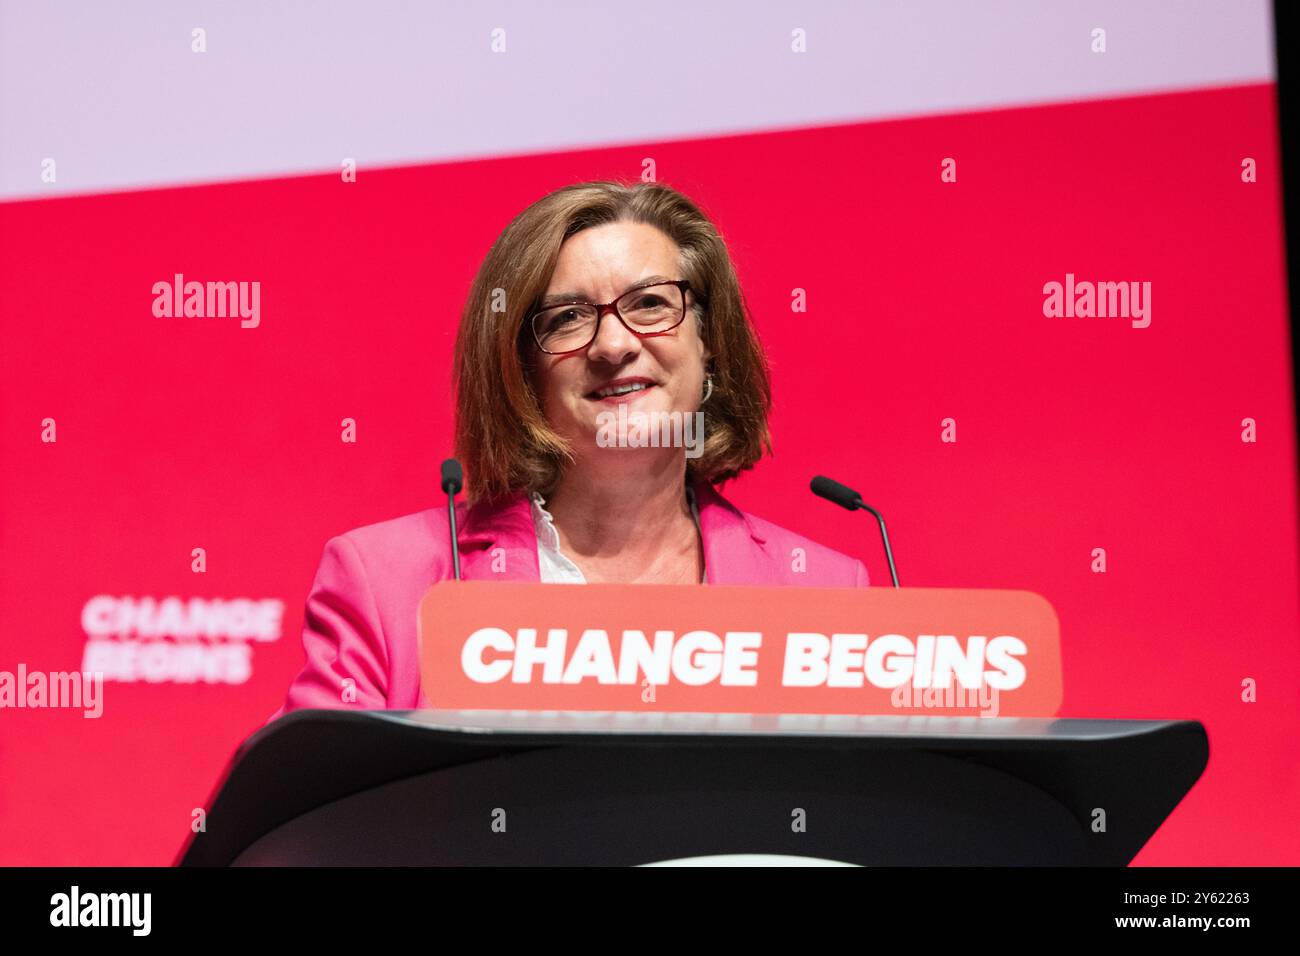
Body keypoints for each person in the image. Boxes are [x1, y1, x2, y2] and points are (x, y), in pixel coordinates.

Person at [270, 180, 867, 717]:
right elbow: (309, 821)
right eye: (568, 318)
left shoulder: (829, 594)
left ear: (708, 340)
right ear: (521, 368)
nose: (613, 344)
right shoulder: (386, 584)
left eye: (650, 304)